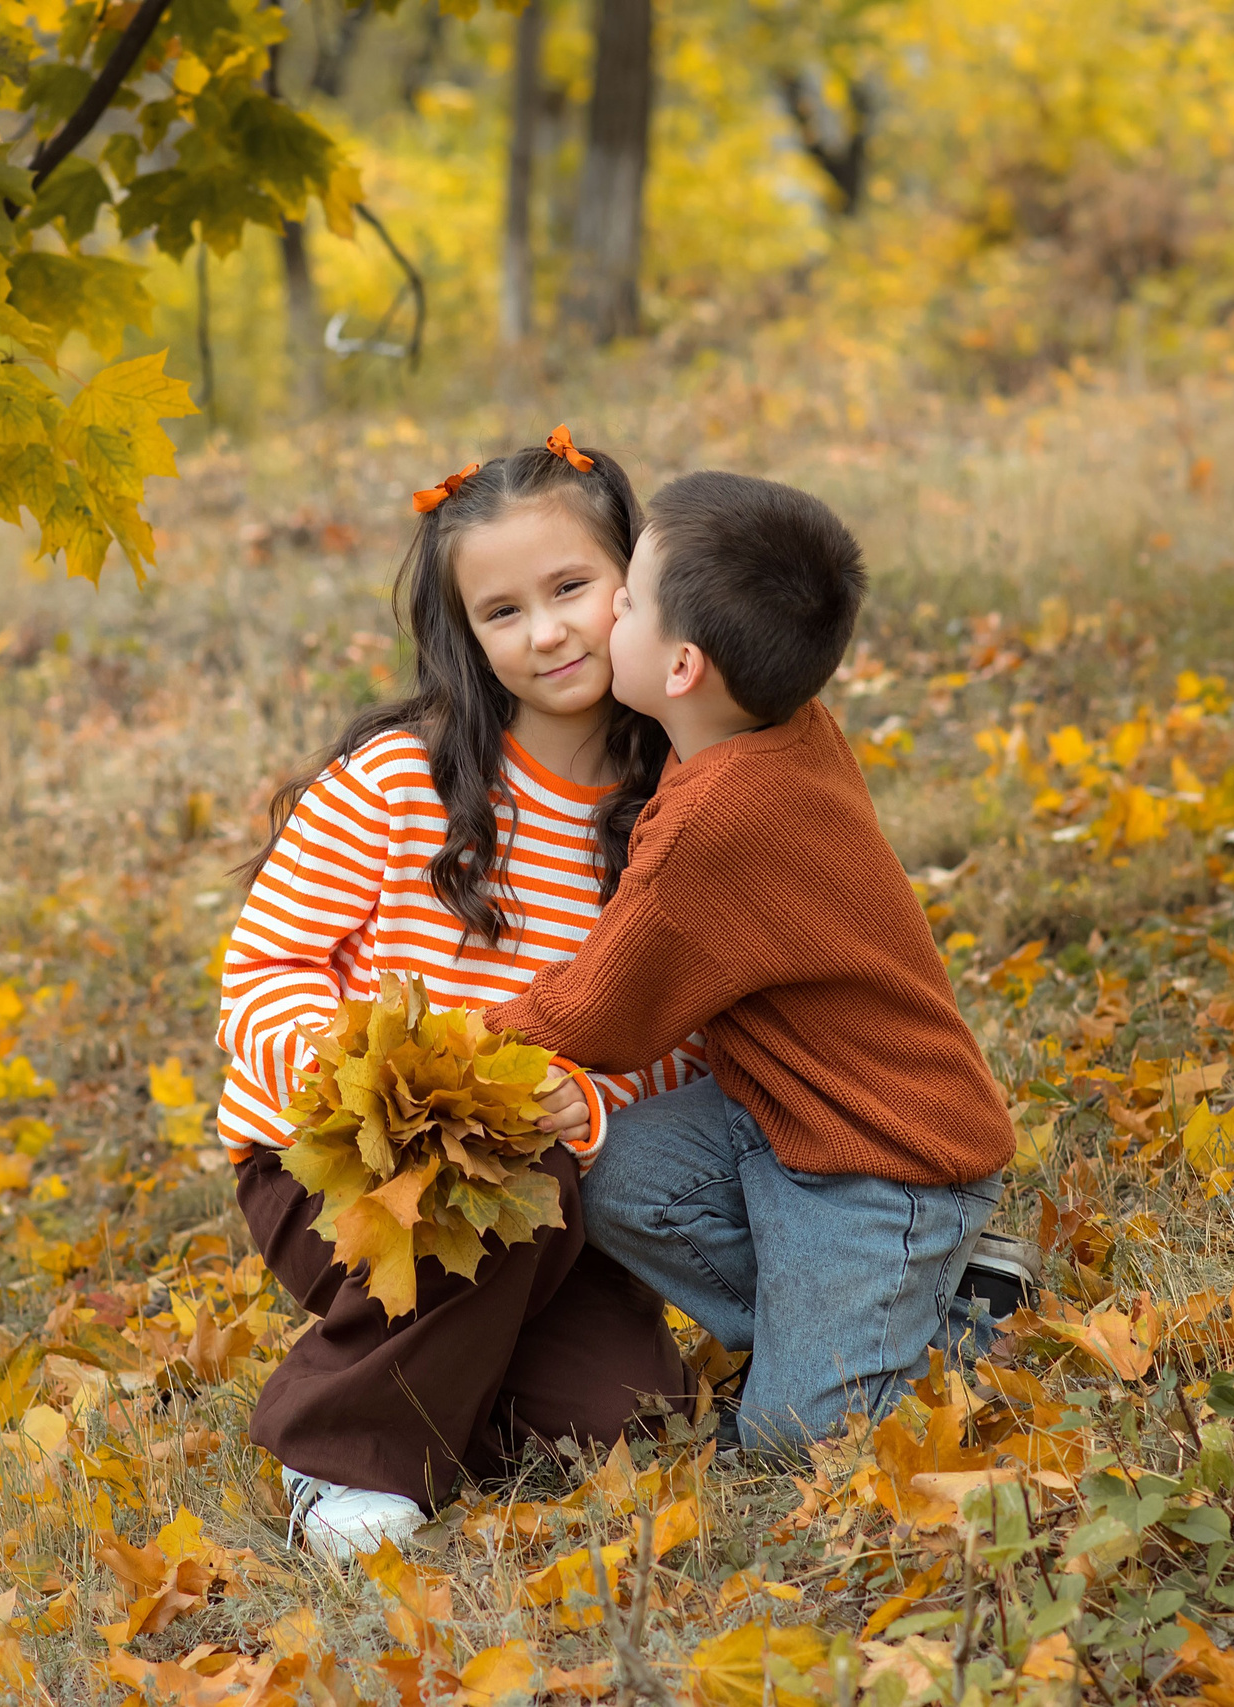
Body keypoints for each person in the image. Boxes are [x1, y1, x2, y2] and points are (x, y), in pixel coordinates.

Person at [217, 429, 705, 1559]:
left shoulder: (675, 808)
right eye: (501, 613)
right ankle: (333, 1448)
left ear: (637, 584)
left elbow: (683, 1038)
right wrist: (362, 1083)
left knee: (626, 1424)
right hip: (337, 1168)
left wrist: (586, 1108)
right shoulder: (398, 781)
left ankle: (448, 1380)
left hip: (546, 1195)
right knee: (483, 1182)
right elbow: (262, 977)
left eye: (573, 588)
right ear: (465, 634)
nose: (544, 633)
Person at [483, 470, 1016, 1453]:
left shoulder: (715, 824)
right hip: (773, 1111)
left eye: (627, 598)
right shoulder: (780, 720)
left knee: (793, 1440)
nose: (606, 611)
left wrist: (459, 1052)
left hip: (883, 1160)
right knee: (618, 1176)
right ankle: (837, 1323)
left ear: (681, 668)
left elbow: (596, 1014)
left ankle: (950, 1307)